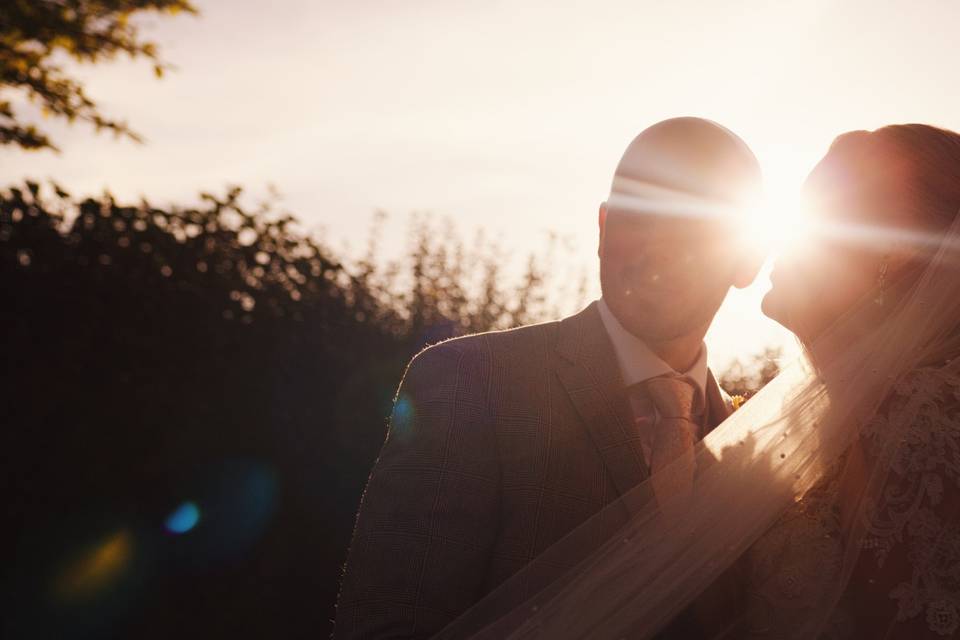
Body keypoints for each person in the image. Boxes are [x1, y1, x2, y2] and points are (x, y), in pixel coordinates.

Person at [434, 123, 960, 640]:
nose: (788, 238)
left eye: (821, 218)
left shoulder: (918, 425)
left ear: (889, 257)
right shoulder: (477, 382)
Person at [332, 117, 765, 639]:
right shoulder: (471, 382)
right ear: (603, 229)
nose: (658, 247)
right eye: (638, 215)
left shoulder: (757, 446)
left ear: (748, 259)